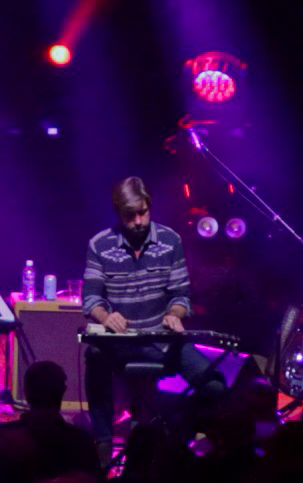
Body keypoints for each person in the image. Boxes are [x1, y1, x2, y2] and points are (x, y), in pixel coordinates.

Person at [78, 175, 208, 457]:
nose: (138, 221)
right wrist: (105, 317)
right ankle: (103, 443)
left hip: (161, 340)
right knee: (94, 356)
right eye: (130, 215)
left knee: (214, 384)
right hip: (118, 343)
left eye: (143, 212)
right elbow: (91, 298)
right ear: (118, 213)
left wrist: (175, 314)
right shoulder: (100, 245)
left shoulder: (171, 241)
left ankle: (174, 435)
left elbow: (182, 295)